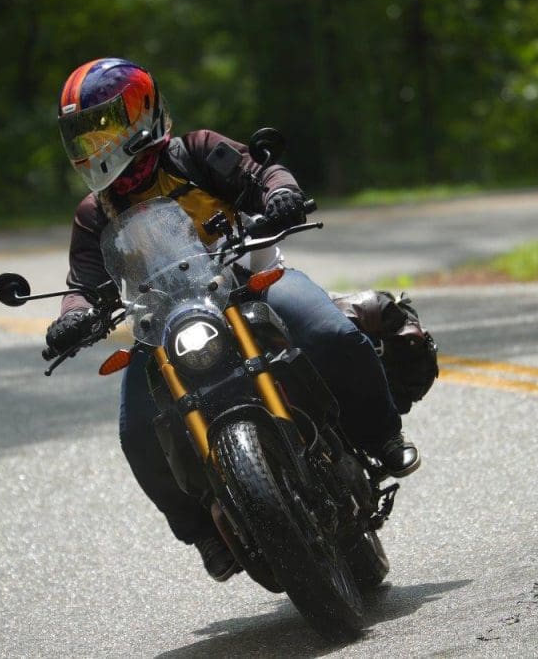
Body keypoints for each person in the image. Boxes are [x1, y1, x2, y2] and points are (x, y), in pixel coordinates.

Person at [45, 57, 419, 581]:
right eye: (84, 137)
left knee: (329, 332)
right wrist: (74, 316)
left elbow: (262, 171)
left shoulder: (194, 153)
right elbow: (84, 286)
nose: (96, 147)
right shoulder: (94, 214)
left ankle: (381, 436)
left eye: (106, 126)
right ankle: (203, 532)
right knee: (137, 432)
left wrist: (280, 193)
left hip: (250, 284)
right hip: (164, 324)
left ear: (141, 112)